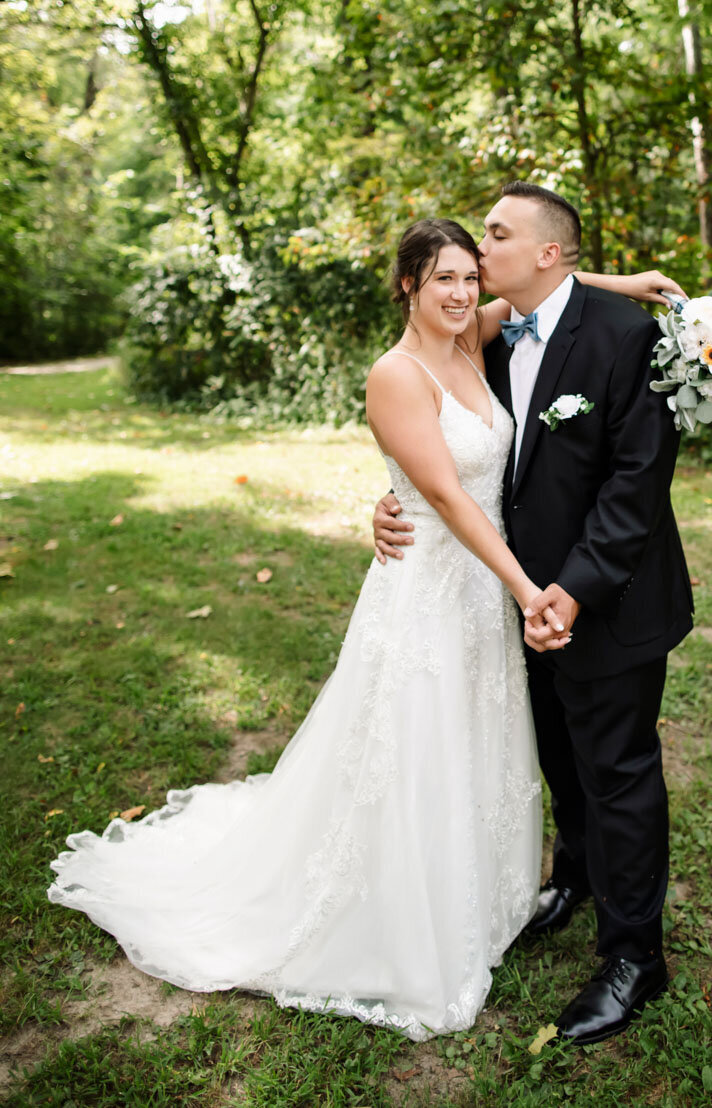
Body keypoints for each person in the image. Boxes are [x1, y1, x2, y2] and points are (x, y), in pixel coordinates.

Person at [47, 219, 545, 1041]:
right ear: (407, 286)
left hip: (476, 589)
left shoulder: (472, 338)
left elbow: (548, 292)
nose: (461, 294)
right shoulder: (397, 373)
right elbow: (451, 500)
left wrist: (627, 285)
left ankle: (479, 894)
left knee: (472, 733)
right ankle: (401, 920)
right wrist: (527, 589)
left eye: (468, 278)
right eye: (441, 280)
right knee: (414, 744)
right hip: (429, 584)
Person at [374, 182, 695, 1045]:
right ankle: (575, 877)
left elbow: (634, 491)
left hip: (606, 601)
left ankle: (635, 960)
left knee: (619, 773)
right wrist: (392, 500)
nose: (478, 257)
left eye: (495, 237)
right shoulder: (487, 333)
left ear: (549, 254)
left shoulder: (627, 343)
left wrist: (571, 591)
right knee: (556, 753)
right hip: (509, 603)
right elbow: (453, 462)